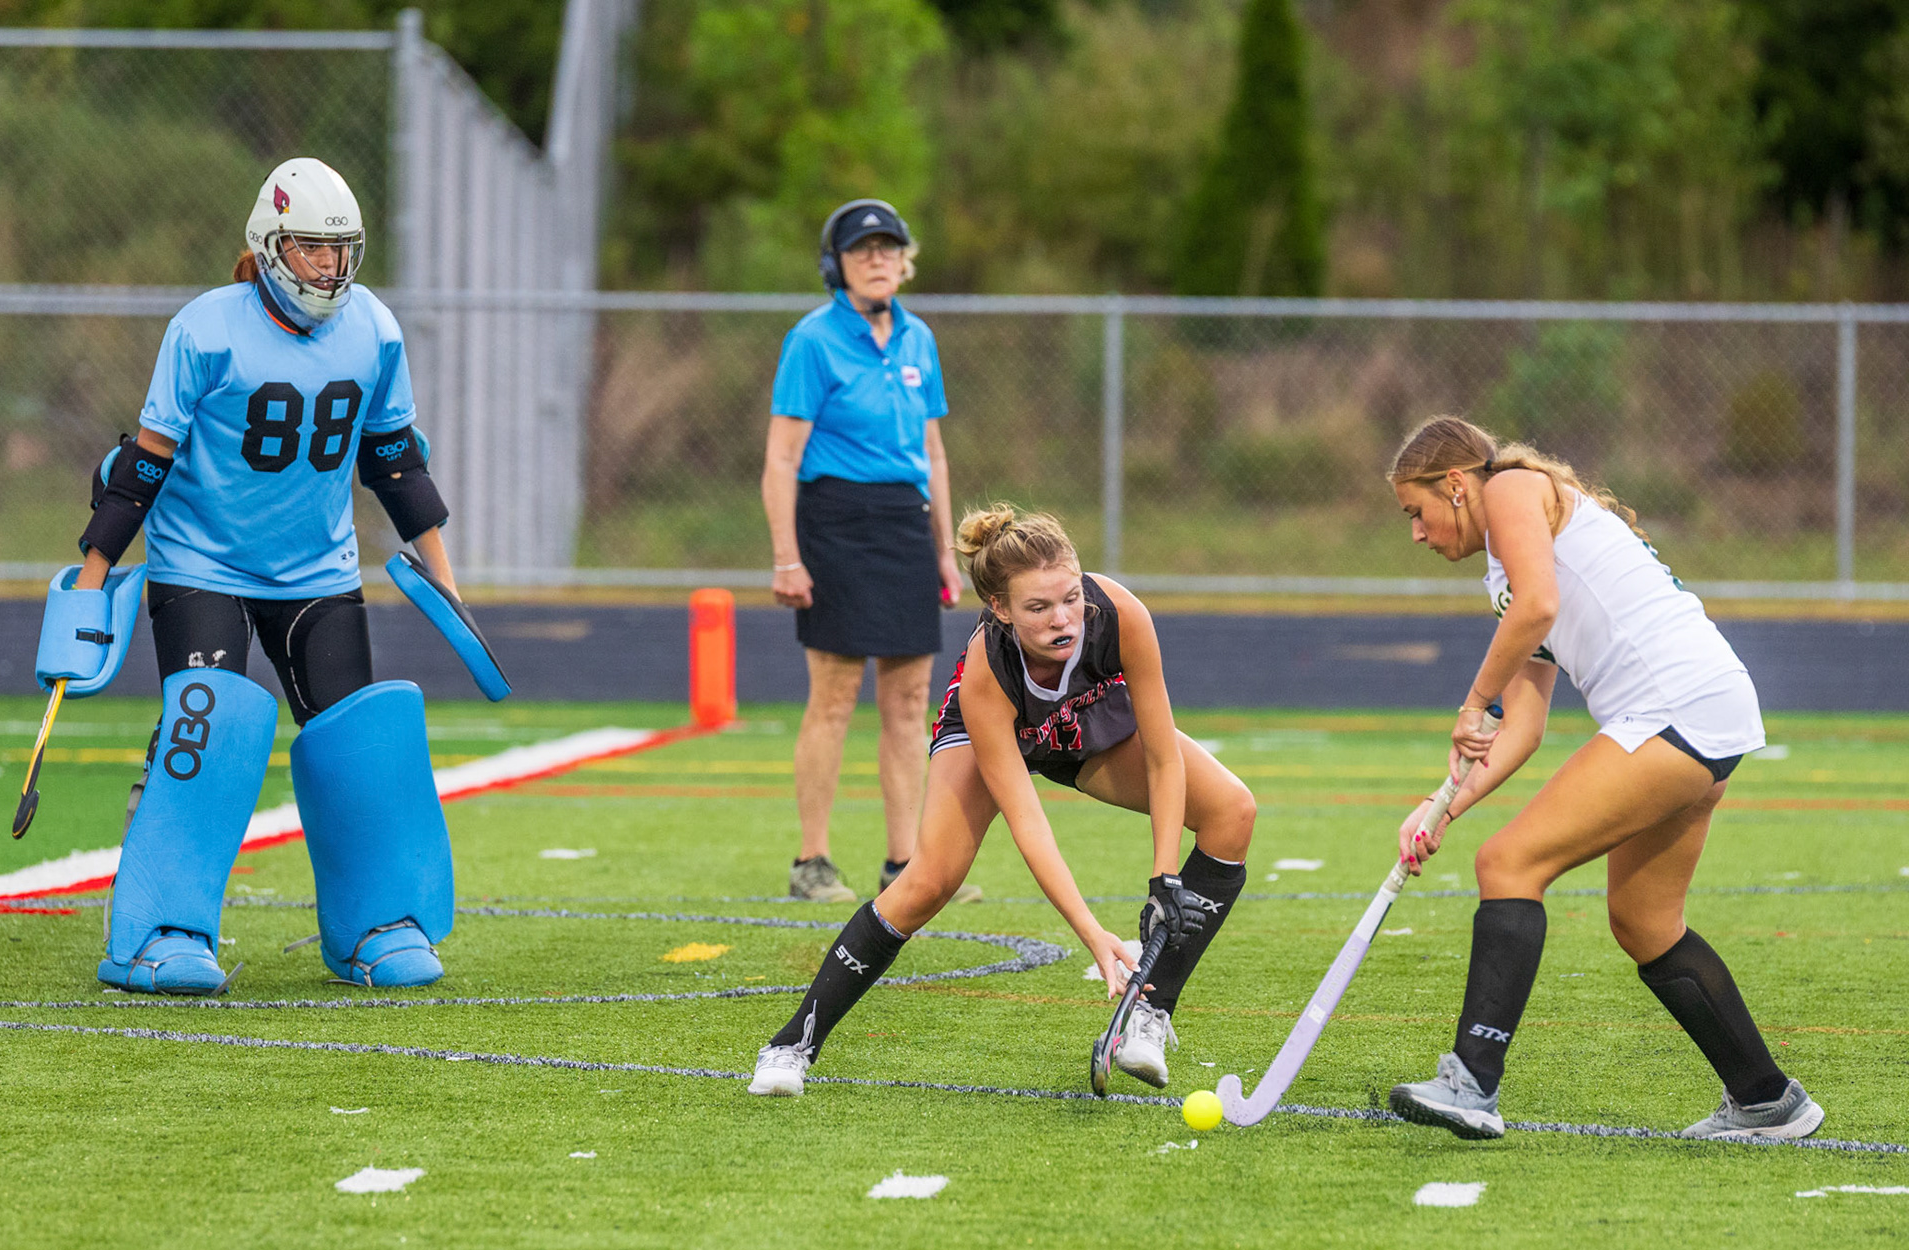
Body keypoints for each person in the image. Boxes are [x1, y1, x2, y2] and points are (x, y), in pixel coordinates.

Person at [37, 158, 460, 994]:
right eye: (311, 248)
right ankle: (161, 929)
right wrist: (90, 581)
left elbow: (395, 463)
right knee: (213, 726)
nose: (329, 267)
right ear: (269, 246)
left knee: (355, 739)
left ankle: (376, 924)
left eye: (340, 250)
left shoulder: (375, 329)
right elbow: (141, 468)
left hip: (318, 570)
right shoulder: (203, 330)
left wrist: (447, 581)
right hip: (202, 564)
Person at [1382, 415, 1823, 1141]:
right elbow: (1523, 726)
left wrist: (1471, 702)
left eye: (1416, 511)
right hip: (1704, 711)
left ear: (1456, 484)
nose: (1416, 534)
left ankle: (1471, 1084)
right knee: (1645, 921)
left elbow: (1540, 606)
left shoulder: (1512, 489)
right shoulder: (1506, 567)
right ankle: (1766, 1100)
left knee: (1508, 863)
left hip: (1674, 709)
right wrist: (1441, 808)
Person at [746, 504, 1258, 1096]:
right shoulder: (987, 671)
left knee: (1232, 811)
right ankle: (791, 1046)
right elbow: (1027, 821)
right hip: (999, 730)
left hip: (1083, 718)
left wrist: (1163, 878)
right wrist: (1092, 932)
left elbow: (1164, 758)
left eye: (1070, 598)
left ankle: (1147, 1012)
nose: (1062, 620)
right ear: (1001, 608)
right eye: (1038, 608)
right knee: (928, 882)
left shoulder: (1122, 615)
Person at [761, 198, 974, 905]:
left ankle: (906, 862)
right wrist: (787, 556)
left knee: (910, 701)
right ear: (837, 265)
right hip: (836, 522)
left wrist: (943, 549)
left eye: (888, 247)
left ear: (905, 261)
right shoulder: (812, 341)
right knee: (834, 697)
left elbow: (934, 453)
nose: (877, 259)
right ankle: (812, 862)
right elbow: (782, 458)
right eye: (862, 249)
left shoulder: (919, 339)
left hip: (904, 524)